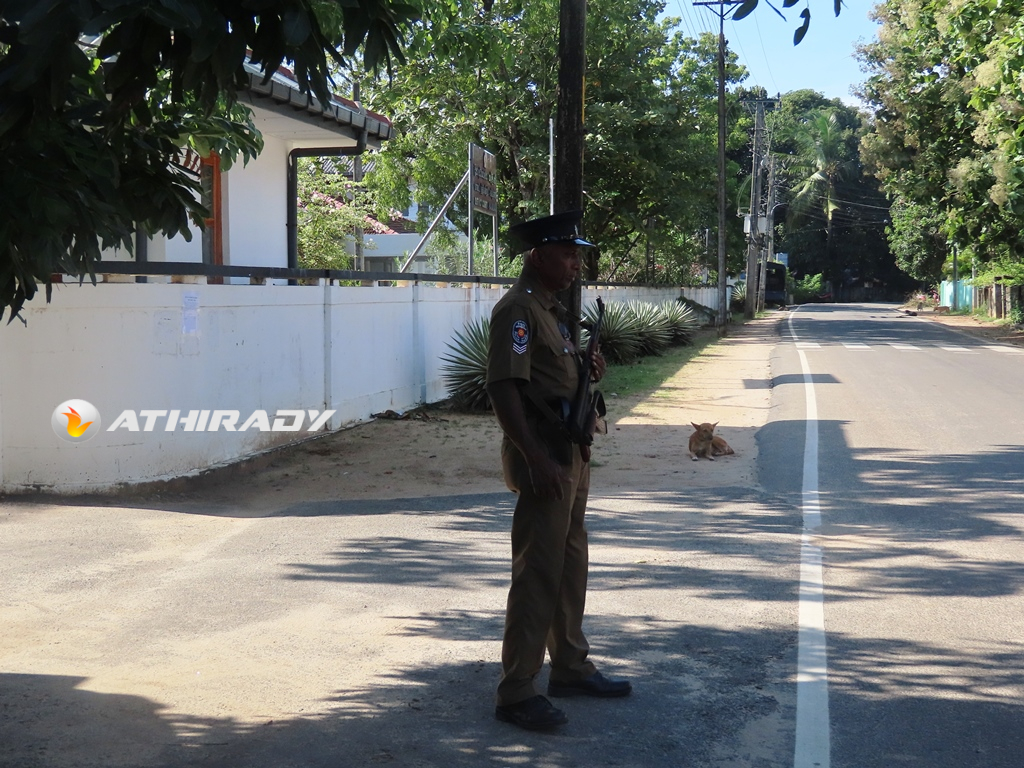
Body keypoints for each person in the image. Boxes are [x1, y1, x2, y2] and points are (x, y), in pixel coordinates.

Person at [486, 210, 631, 731]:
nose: (576, 264)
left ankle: (569, 665)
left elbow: (552, 376)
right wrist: (534, 457)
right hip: (544, 457)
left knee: (570, 564)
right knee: (538, 572)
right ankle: (516, 691)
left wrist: (587, 370)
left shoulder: (552, 309)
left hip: (571, 452)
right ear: (538, 255)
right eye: (568, 255)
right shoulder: (518, 311)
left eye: (577, 255)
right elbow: (504, 388)